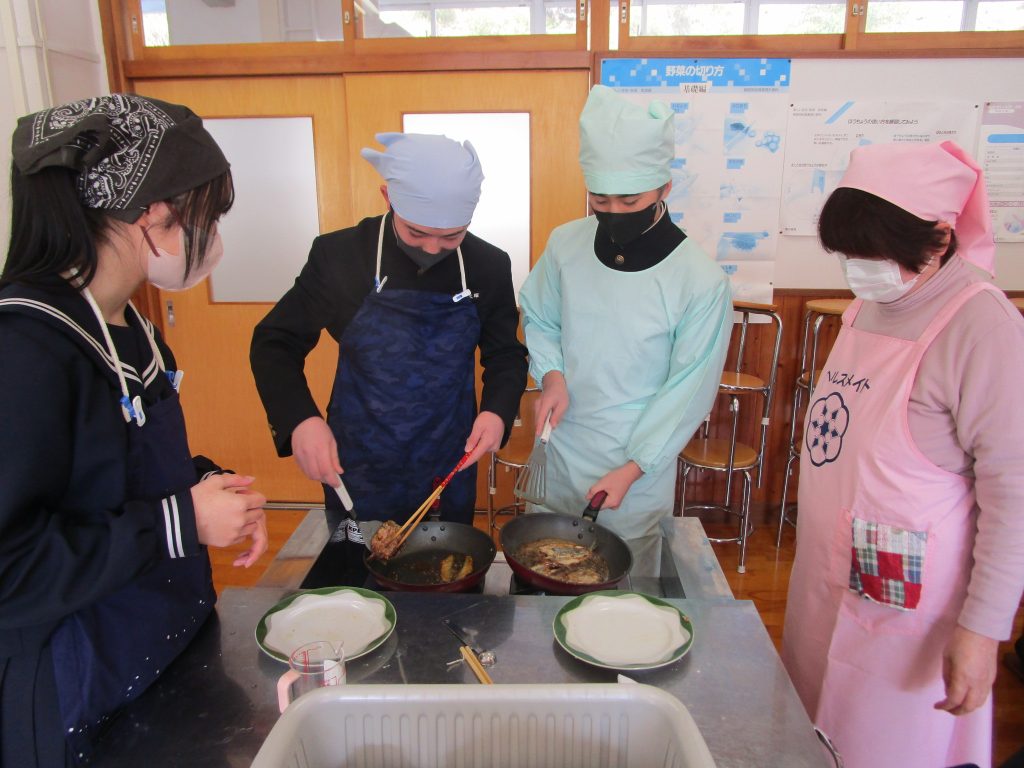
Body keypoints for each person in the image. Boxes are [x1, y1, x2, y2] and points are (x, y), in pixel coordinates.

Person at [0, 94, 268, 767]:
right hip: (82, 683)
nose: (213, 236)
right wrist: (181, 520)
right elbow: (11, 566)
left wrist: (208, 487)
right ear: (154, 216)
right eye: (208, 215)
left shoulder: (132, 326)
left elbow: (115, 474)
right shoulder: (24, 349)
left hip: (168, 642)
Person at [782, 141, 1024, 768]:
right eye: (848, 255)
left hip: (907, 603)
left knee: (879, 744)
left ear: (939, 239)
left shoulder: (984, 326)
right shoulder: (868, 307)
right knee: (807, 731)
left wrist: (983, 629)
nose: (858, 270)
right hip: (825, 575)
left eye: (872, 254)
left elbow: (1014, 496)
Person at [250, 132, 528, 587]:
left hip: (448, 456)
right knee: (357, 574)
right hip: (359, 460)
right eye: (417, 232)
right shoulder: (341, 256)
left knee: (444, 575)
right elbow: (274, 341)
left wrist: (497, 411)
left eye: (451, 236)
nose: (433, 248)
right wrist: (300, 421)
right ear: (387, 198)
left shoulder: (487, 265)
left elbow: (506, 355)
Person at [518, 85, 732, 576]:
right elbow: (541, 316)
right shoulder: (566, 244)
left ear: (665, 188)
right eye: (600, 198)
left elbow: (688, 391)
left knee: (621, 590)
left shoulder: (700, 281)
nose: (613, 211)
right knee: (543, 573)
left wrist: (633, 469)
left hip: (637, 467)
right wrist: (552, 376)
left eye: (630, 199)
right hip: (561, 447)